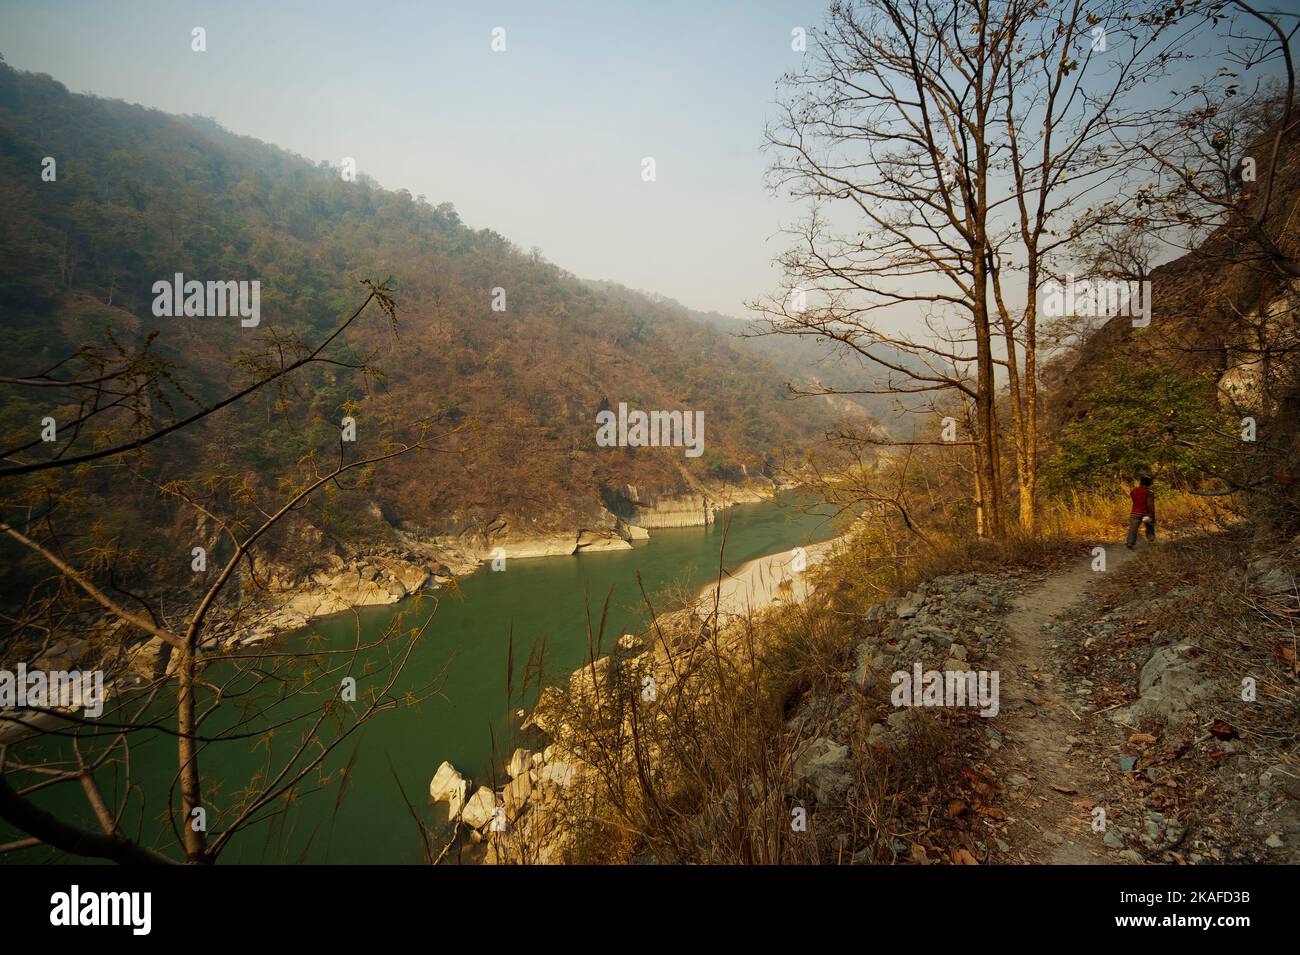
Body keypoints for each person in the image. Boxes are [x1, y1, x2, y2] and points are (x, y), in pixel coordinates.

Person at [1126, 476, 1156, 549]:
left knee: (1133, 528)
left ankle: (1130, 543)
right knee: (1149, 527)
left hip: (1135, 512)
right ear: (1148, 483)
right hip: (1146, 513)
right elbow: (1150, 504)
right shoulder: (1149, 492)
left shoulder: (1134, 491)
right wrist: (1152, 515)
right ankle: (1151, 540)